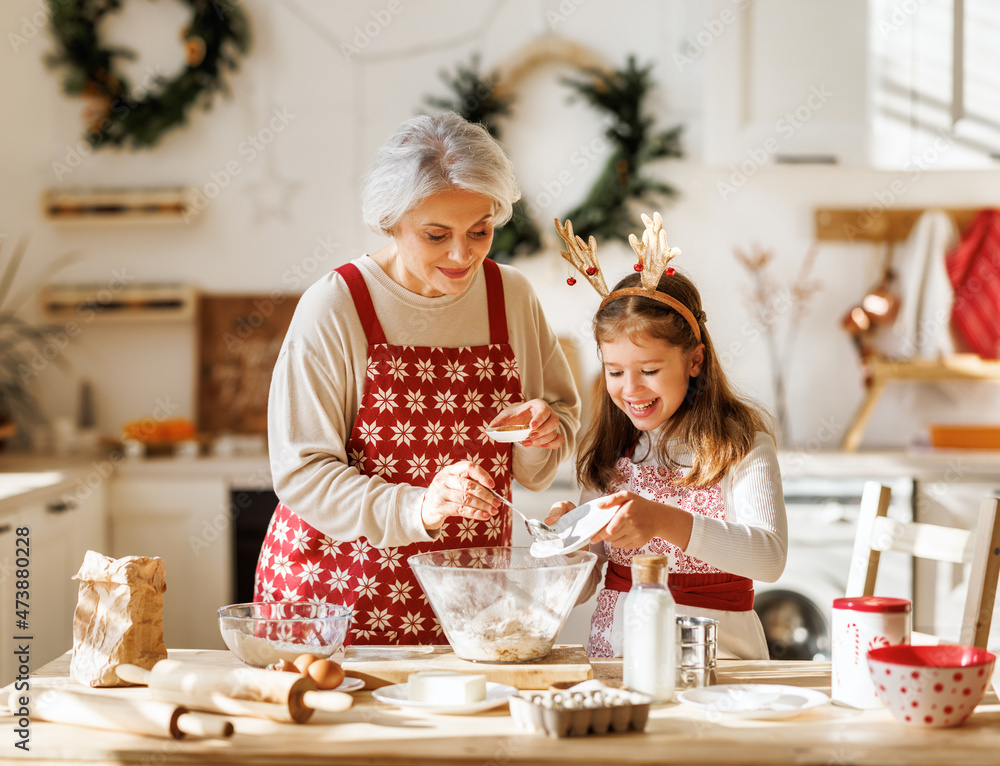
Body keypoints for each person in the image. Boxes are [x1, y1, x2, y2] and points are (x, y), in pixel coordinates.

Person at [254, 112, 580, 644]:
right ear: (391, 220)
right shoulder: (336, 307)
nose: (462, 254)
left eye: (480, 231)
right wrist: (417, 506)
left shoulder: (510, 296)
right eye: (436, 235)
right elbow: (301, 472)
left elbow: (546, 445)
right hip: (338, 597)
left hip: (469, 595)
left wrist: (542, 434)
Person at [548, 220, 786, 660]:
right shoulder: (608, 450)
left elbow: (769, 558)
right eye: (615, 372)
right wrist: (570, 545)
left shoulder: (739, 445)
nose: (631, 389)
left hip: (720, 659)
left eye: (650, 371)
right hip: (619, 655)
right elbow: (581, 588)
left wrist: (662, 521)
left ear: (694, 360)